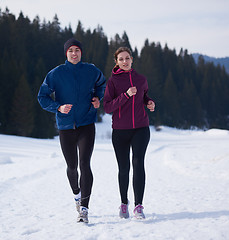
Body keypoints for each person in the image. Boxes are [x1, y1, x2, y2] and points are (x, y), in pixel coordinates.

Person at [37, 38, 106, 223]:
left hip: (86, 124)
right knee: (72, 167)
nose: (74, 53)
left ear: (81, 52)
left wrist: (98, 99)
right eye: (71, 51)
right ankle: (76, 194)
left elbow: (102, 84)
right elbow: (42, 96)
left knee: (85, 164)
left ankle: (84, 208)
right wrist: (58, 107)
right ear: (66, 53)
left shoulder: (91, 70)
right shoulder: (56, 74)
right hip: (66, 126)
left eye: (77, 50)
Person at [103, 47, 155, 219]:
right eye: (121, 59)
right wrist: (125, 95)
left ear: (132, 59)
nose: (124, 62)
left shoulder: (141, 79)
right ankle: (124, 203)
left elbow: (144, 96)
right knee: (124, 168)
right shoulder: (112, 82)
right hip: (120, 131)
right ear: (116, 62)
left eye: (127, 58)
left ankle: (138, 206)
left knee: (138, 163)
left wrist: (149, 102)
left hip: (141, 128)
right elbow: (108, 107)